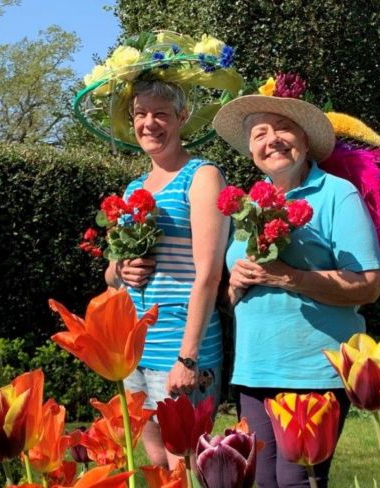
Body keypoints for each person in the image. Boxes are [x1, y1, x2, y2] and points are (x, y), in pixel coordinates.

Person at [212, 92, 380, 487]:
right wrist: (234, 286)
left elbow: (368, 286)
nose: (272, 139)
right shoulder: (244, 205)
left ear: (305, 141)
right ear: (251, 148)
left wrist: (289, 276)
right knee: (263, 481)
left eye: (284, 128)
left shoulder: (337, 194)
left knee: (296, 481)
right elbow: (230, 299)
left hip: (313, 371)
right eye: (260, 133)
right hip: (255, 371)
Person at [104, 78, 229, 468]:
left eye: (160, 114)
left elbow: (208, 273)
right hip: (136, 347)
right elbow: (112, 276)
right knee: (157, 464)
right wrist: (122, 266)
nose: (149, 123)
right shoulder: (134, 187)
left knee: (186, 466)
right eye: (141, 114)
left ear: (182, 117)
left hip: (180, 344)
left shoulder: (202, 176)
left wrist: (188, 358)